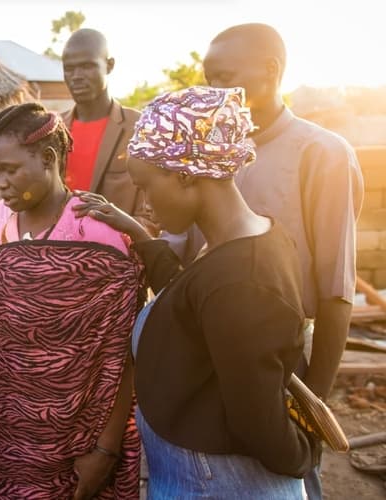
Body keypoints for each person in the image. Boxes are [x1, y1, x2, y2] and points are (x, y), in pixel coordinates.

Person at [76, 86, 319, 498]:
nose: (145, 204)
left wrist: (301, 457)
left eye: (147, 187)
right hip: (199, 474)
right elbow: (192, 298)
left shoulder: (244, 280)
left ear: (185, 176)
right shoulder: (236, 244)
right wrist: (138, 234)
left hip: (221, 484)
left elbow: (257, 417)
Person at [164, 24, 364, 498]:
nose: (215, 91)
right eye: (208, 79)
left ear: (271, 70)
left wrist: (312, 404)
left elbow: (337, 290)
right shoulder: (207, 153)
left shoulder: (323, 153)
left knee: (288, 477)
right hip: (205, 349)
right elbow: (182, 252)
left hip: (285, 359)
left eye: (225, 76)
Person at [0, 102, 143, 499]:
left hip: (83, 441)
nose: (0, 183)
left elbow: (122, 353)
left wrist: (105, 450)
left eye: (11, 170)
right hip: (13, 438)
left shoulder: (94, 230)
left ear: (49, 159)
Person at [60, 29, 157, 235]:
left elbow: (154, 215)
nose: (76, 76)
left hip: (120, 257)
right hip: (58, 257)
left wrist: (110, 242)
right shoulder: (54, 131)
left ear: (109, 65)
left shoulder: (141, 128)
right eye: (69, 68)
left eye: (87, 66)